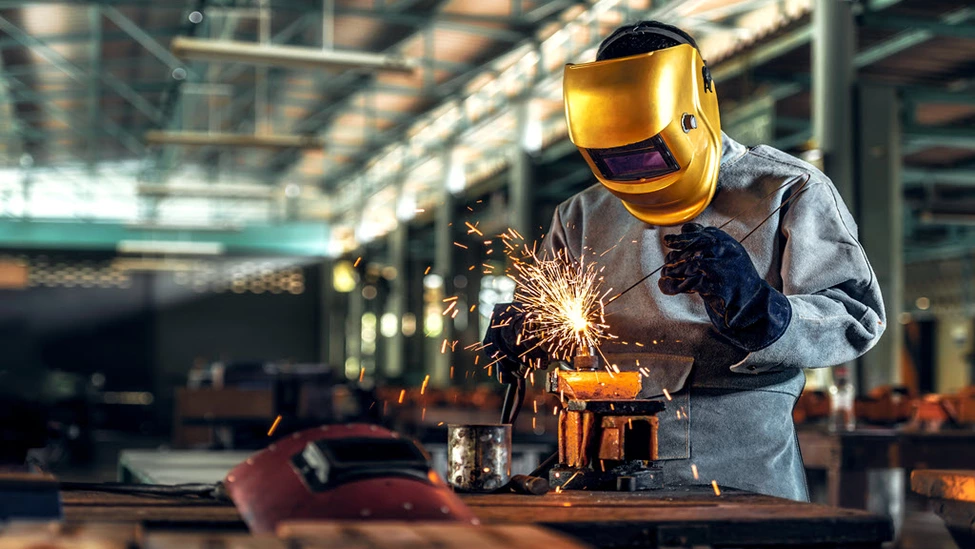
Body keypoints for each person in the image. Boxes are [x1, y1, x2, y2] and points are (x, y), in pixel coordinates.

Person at [484, 21, 885, 501]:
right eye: (616, 160)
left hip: (737, 474)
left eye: (650, 154)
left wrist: (762, 309)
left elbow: (856, 317)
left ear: (696, 105)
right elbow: (549, 321)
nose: (638, 175)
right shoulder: (581, 214)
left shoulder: (787, 189)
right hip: (597, 473)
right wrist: (528, 335)